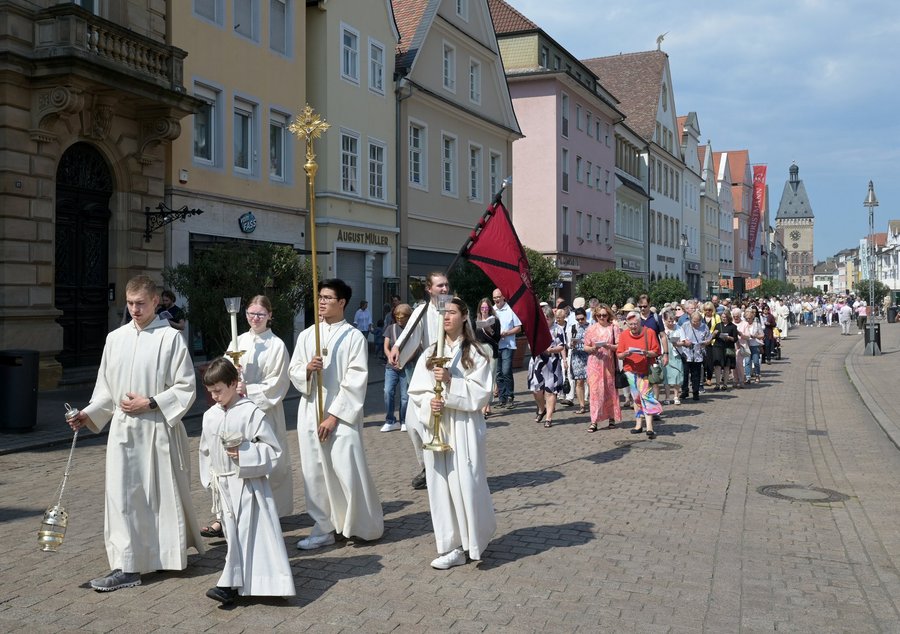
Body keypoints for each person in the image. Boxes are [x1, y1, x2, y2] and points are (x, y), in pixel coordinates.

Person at [66, 275, 203, 592]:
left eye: (140, 303)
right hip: (123, 432)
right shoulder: (115, 339)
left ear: (155, 301)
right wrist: (88, 414)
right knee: (122, 497)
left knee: (158, 497)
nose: (134, 309)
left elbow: (186, 387)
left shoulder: (170, 339)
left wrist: (151, 402)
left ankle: (161, 556)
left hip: (158, 430)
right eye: (129, 303)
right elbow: (106, 390)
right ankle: (126, 565)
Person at [288, 278, 383, 549]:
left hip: (341, 416)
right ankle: (324, 527)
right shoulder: (308, 335)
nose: (321, 302)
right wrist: (307, 370)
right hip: (310, 411)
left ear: (342, 302)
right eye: (320, 297)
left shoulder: (353, 337)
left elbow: (355, 380)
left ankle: (360, 525)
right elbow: (293, 370)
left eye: (328, 298)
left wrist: (333, 416)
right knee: (315, 472)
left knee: (346, 469)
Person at [407, 297, 496, 570]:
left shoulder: (477, 353)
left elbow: (481, 393)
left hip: (464, 427)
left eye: (452, 312)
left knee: (466, 483)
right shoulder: (430, 353)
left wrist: (450, 382)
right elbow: (417, 391)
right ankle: (451, 546)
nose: (446, 317)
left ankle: (473, 540)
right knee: (440, 487)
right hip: (438, 426)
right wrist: (429, 403)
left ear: (465, 316)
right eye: (443, 313)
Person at [198, 358, 295, 606]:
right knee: (234, 536)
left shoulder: (251, 413)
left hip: (248, 484)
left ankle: (230, 585)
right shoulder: (210, 416)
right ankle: (250, 584)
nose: (215, 396)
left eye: (218, 390)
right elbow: (205, 450)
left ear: (233, 383)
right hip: (223, 485)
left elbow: (273, 450)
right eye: (210, 392)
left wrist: (245, 453)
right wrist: (210, 479)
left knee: (248, 535)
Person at [388, 271, 451, 490]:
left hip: (451, 371)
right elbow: (410, 334)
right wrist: (397, 348)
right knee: (414, 422)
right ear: (429, 288)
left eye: (446, 285)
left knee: (445, 423)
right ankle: (426, 466)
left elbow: (467, 337)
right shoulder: (422, 310)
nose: (444, 289)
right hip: (428, 371)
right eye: (440, 286)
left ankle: (447, 468)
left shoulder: (454, 308)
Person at [235, 295, 293, 517]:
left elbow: (278, 383)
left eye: (260, 314)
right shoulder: (238, 341)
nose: (255, 318)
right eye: (251, 313)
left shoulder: (277, 345)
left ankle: (271, 513)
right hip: (239, 412)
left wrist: (248, 389)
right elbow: (225, 371)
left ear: (270, 315)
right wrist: (231, 373)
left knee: (269, 462)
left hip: (266, 413)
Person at [617, 310, 662, 438]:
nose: (633, 327)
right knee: (636, 398)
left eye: (635, 324)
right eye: (630, 324)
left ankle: (649, 426)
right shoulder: (624, 335)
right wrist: (625, 354)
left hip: (645, 371)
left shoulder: (649, 332)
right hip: (630, 371)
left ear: (640, 322)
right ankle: (638, 424)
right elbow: (619, 354)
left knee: (646, 397)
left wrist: (646, 353)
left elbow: (656, 351)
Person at [582, 303, 621, 432]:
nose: (601, 317)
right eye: (599, 315)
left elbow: (619, 346)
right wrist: (592, 348)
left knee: (609, 391)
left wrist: (608, 346)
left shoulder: (614, 328)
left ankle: (611, 418)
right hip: (594, 364)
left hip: (609, 364)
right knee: (594, 392)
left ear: (608, 315)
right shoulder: (591, 329)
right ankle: (594, 421)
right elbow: (585, 346)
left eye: (604, 315)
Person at [529, 306, 567, 428]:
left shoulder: (557, 329)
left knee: (550, 390)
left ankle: (549, 417)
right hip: (537, 361)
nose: (545, 321)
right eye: (543, 318)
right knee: (536, 390)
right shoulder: (536, 329)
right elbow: (530, 345)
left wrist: (552, 350)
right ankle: (542, 409)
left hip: (552, 362)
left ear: (552, 318)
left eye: (547, 318)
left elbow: (562, 346)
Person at [381, 303, 413, 432]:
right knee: (388, 391)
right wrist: (389, 356)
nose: (399, 319)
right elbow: (386, 346)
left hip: (407, 366)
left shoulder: (412, 329)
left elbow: (415, 348)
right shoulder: (391, 328)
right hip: (391, 367)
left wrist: (404, 360)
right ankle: (390, 420)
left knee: (405, 396)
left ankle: (404, 420)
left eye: (402, 317)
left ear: (409, 317)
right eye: (397, 317)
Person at [492, 289, 522, 409]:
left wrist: (507, 333)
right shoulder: (492, 310)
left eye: (498, 297)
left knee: (506, 371)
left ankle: (510, 396)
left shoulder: (511, 309)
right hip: (496, 345)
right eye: (494, 298)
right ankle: (502, 398)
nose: (496, 300)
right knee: (498, 373)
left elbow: (518, 328)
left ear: (503, 297)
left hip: (508, 345)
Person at [474, 297, 500, 417]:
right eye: (482, 308)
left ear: (489, 309)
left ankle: (485, 406)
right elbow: (473, 337)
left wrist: (490, 330)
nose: (484, 310)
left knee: (490, 377)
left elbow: (497, 338)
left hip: (491, 350)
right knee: (481, 377)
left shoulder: (495, 321)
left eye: (486, 308)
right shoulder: (476, 321)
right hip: (479, 350)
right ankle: (486, 405)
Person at [678, 310, 712, 401]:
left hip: (698, 354)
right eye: (694, 321)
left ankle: (695, 392)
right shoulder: (685, 325)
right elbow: (680, 337)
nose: (696, 323)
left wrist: (706, 342)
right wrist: (685, 341)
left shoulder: (704, 326)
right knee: (685, 373)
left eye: (698, 321)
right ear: (690, 320)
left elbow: (709, 338)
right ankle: (684, 391)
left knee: (696, 374)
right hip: (686, 353)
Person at [660, 309, 685, 404]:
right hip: (665, 354)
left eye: (672, 321)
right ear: (664, 320)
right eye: (669, 321)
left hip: (676, 354)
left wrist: (677, 343)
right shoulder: (662, 329)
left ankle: (676, 396)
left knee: (677, 375)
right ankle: (667, 397)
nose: (671, 323)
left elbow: (683, 341)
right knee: (666, 376)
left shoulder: (679, 328)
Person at [568, 307, 590, 414]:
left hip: (589, 355)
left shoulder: (591, 327)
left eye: (582, 319)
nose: (580, 321)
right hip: (577, 356)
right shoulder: (573, 327)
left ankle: (593, 403)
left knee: (590, 381)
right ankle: (582, 406)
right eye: (578, 319)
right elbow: (567, 343)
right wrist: (571, 344)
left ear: (586, 316)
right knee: (579, 381)